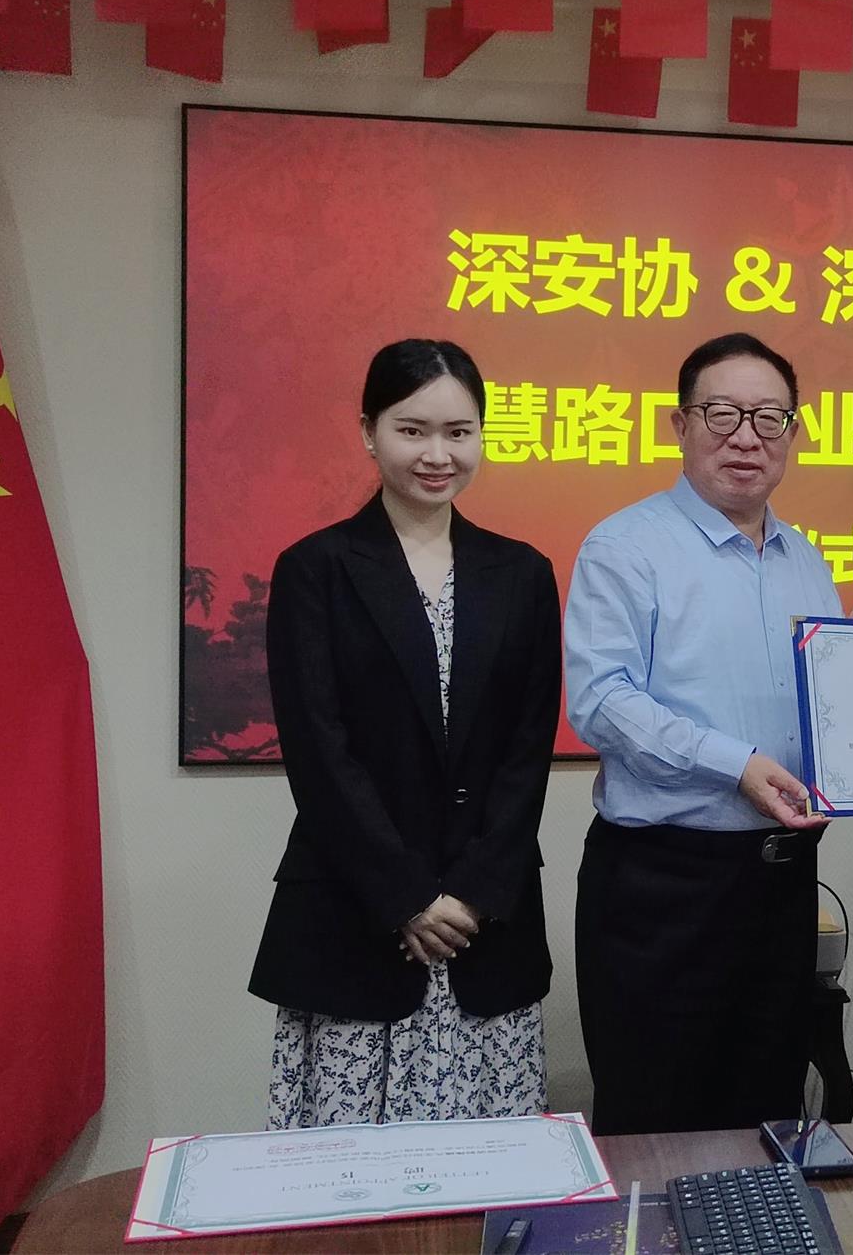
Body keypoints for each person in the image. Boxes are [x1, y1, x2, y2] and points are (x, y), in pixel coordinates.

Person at [563, 332, 853, 1136]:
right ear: (680, 426)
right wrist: (735, 764)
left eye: (768, 417)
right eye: (722, 414)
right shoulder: (626, 547)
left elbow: (822, 710)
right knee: (655, 1123)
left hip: (781, 887)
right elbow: (601, 700)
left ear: (794, 431)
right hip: (665, 885)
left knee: (766, 1116)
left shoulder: (805, 559)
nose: (746, 437)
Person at [250, 339, 562, 1128]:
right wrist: (409, 898)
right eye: (412, 430)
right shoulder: (316, 568)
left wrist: (473, 893)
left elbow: (527, 749)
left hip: (487, 926)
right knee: (348, 1177)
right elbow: (318, 753)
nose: (437, 455)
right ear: (369, 431)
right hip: (359, 919)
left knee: (490, 1175)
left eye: (459, 432)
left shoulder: (522, 573)